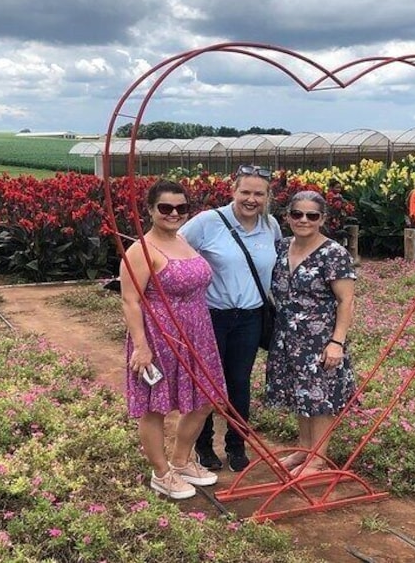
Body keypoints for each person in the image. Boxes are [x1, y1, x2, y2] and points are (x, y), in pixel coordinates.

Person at [120, 179, 226, 499]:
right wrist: (141, 346)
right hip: (159, 334)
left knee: (206, 398)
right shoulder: (141, 249)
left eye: (181, 208)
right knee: (155, 407)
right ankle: (161, 473)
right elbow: (130, 300)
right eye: (165, 208)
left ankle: (180, 461)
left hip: (197, 331)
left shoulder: (183, 240)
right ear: (151, 210)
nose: (174, 213)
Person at [180, 164, 282, 472]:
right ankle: (204, 446)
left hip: (251, 316)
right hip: (211, 315)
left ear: (267, 197)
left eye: (259, 194)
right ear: (233, 191)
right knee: (208, 383)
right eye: (245, 192)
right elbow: (171, 246)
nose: (251, 199)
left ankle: (237, 445)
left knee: (239, 382)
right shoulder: (209, 222)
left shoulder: (271, 225)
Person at [264, 190, 357, 476]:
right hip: (287, 337)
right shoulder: (282, 247)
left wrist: (336, 342)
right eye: (297, 214)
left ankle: (318, 459)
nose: (304, 220)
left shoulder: (333, 254)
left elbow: (346, 300)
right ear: (288, 216)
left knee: (319, 399)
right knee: (300, 395)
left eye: (312, 215)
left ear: (322, 219)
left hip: (319, 339)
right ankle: (304, 449)